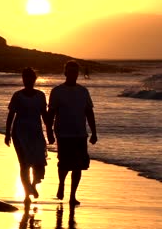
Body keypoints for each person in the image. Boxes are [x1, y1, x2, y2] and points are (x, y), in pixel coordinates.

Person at [47, 60, 97, 206]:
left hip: (80, 134)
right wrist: (49, 132)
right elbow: (51, 113)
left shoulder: (83, 91)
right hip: (63, 133)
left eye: (75, 72)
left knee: (78, 166)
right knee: (64, 164)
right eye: (70, 71)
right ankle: (61, 183)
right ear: (65, 73)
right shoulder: (57, 91)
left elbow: (89, 112)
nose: (73, 74)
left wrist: (94, 132)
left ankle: (73, 196)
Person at [5, 67, 49, 203]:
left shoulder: (41, 96)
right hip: (19, 134)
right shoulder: (17, 96)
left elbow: (44, 115)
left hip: (36, 134)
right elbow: (11, 115)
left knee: (39, 164)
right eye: (25, 78)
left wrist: (51, 132)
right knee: (24, 165)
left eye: (30, 78)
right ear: (23, 79)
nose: (27, 80)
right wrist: (7, 134)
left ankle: (33, 185)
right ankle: (26, 194)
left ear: (35, 79)